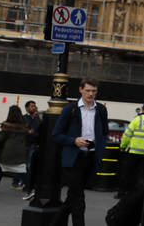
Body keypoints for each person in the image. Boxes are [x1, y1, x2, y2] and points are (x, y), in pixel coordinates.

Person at [52, 77, 109, 226]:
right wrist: (74, 140)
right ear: (81, 90)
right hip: (72, 159)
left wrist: (99, 147)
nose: (90, 94)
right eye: (88, 90)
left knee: (72, 197)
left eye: (94, 91)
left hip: (90, 158)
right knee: (78, 200)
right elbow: (56, 134)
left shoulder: (101, 109)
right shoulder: (69, 109)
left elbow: (104, 133)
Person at [0, 105, 28, 197]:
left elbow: (1, 138)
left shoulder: (7, 125)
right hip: (21, 150)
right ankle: (30, 190)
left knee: (0, 170)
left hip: (9, 151)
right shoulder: (24, 125)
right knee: (22, 171)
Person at [118, 101, 144, 197]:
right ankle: (137, 193)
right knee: (141, 174)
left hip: (133, 152)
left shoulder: (137, 120)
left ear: (143, 109)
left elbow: (127, 135)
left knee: (127, 172)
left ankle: (122, 192)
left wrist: (122, 146)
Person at [23, 99, 41, 200]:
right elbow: (27, 130)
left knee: (30, 166)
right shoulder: (24, 118)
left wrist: (36, 117)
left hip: (33, 144)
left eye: (34, 106)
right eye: (31, 106)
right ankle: (22, 182)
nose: (33, 108)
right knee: (24, 165)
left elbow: (36, 129)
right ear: (27, 108)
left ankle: (28, 185)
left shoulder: (37, 118)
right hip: (26, 143)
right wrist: (29, 131)